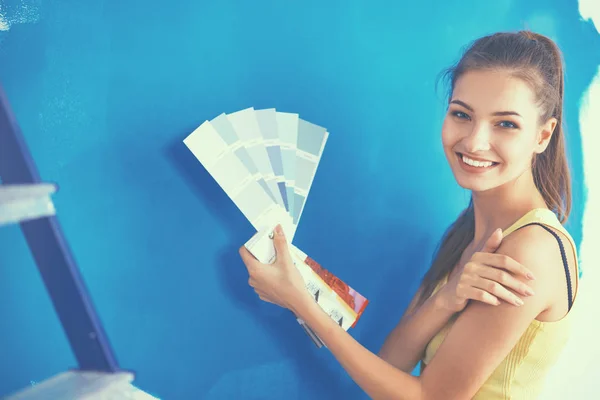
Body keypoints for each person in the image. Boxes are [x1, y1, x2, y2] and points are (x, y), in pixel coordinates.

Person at [239, 30, 580, 400]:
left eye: (506, 123)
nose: (475, 141)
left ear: (543, 136)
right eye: (462, 114)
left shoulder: (530, 250)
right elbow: (393, 361)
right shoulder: (465, 233)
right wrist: (447, 297)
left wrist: (299, 301)